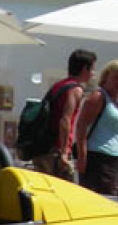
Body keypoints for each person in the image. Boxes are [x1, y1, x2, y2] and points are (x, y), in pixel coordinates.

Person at [33, 48, 96, 182]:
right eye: (92, 69)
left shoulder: (59, 85)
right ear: (85, 68)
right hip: (56, 150)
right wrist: (63, 153)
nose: (93, 74)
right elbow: (65, 120)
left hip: (43, 148)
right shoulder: (75, 89)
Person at [75, 58, 118, 197]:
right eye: (116, 78)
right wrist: (82, 156)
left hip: (117, 161)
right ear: (107, 77)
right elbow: (81, 126)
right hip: (100, 159)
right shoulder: (98, 97)